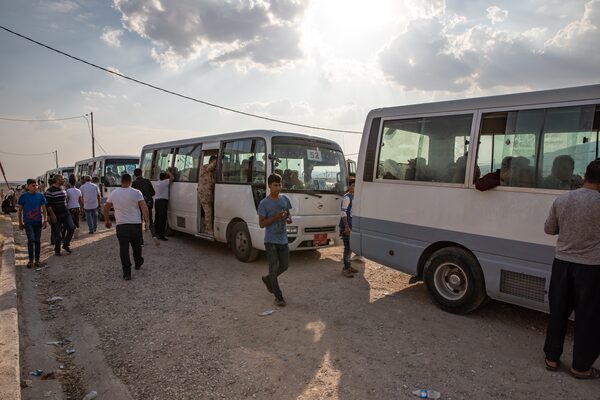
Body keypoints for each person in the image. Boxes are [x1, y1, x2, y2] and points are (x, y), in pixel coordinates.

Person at [543, 160, 600, 379]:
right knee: (588, 318)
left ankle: (551, 358)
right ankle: (580, 367)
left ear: (585, 175)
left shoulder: (563, 199)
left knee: (558, 312)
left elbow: (549, 229)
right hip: (591, 268)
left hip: (562, 265)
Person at [103, 173, 149, 280]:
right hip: (135, 224)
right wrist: (147, 221)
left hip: (121, 225)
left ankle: (127, 273)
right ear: (131, 181)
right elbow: (144, 208)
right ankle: (138, 262)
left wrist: (107, 220)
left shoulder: (114, 193)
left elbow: (106, 208)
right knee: (137, 246)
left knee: (123, 249)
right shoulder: (137, 192)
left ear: (121, 181)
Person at [258, 173, 292, 307]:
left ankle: (268, 279)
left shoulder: (285, 199)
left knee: (284, 266)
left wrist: (288, 219)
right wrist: (276, 217)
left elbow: (289, 215)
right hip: (270, 240)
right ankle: (278, 297)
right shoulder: (264, 203)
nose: (278, 188)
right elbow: (261, 224)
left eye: (280, 185)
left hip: (283, 239)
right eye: (275, 185)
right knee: (274, 268)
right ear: (269, 186)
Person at [18, 179, 48, 268]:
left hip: (38, 222)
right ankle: (31, 260)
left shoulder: (40, 196)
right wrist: (20, 223)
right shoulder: (23, 197)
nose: (35, 187)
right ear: (28, 186)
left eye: (36, 185)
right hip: (28, 222)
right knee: (31, 240)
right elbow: (19, 211)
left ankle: (37, 260)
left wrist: (45, 220)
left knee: (37, 241)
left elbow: (44, 209)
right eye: (33, 186)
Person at [45, 175, 75, 256]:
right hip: (56, 214)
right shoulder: (49, 191)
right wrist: (51, 215)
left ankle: (66, 244)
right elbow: (48, 205)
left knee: (71, 228)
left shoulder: (63, 188)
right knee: (57, 234)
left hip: (65, 212)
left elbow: (65, 199)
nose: (64, 180)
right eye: (62, 179)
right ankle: (57, 250)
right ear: (57, 180)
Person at [339, 178, 359, 278]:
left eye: (356, 185)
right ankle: (345, 268)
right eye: (353, 185)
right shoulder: (347, 197)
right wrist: (346, 227)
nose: (355, 187)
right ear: (349, 186)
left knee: (350, 248)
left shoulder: (355, 197)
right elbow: (343, 213)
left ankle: (348, 266)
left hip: (351, 226)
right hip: (346, 227)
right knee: (348, 248)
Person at [132, 168, 156, 241]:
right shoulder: (147, 181)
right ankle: (154, 236)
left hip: (139, 204)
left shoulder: (134, 183)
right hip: (148, 202)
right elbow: (153, 193)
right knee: (150, 220)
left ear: (134, 175)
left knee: (139, 221)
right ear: (141, 173)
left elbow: (133, 195)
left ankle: (141, 240)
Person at [198, 156, 217, 235]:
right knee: (208, 211)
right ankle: (208, 229)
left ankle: (207, 226)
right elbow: (211, 166)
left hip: (209, 194)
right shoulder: (205, 167)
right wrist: (218, 159)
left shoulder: (213, 172)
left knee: (210, 211)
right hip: (204, 194)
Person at [154, 170, 174, 241]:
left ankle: (156, 233)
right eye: (166, 177)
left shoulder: (157, 182)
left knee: (157, 218)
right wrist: (169, 172)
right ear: (165, 178)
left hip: (157, 201)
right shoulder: (164, 182)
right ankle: (161, 235)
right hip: (162, 202)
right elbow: (172, 178)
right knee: (162, 219)